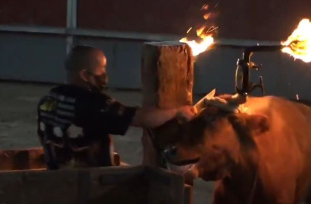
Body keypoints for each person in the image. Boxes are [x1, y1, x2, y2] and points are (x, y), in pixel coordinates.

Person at [37, 45, 196, 169]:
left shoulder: (49, 98)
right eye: (102, 69)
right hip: (88, 181)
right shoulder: (91, 102)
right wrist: (178, 111)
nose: (105, 75)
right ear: (85, 75)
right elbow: (143, 118)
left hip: (58, 173)